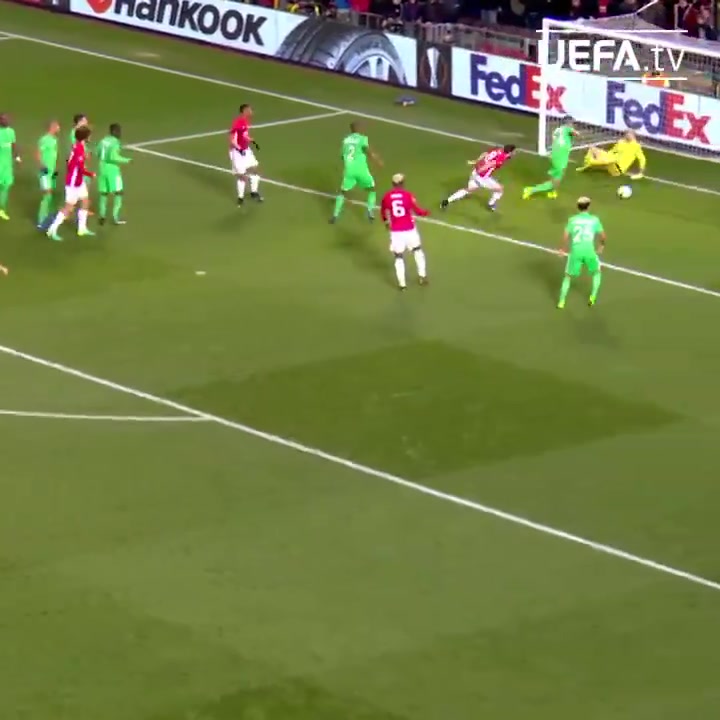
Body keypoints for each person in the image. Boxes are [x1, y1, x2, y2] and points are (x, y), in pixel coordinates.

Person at [380, 173, 429, 289]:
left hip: (396, 232)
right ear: (402, 183)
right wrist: (426, 212)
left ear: (393, 184)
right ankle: (422, 276)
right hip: (409, 229)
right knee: (417, 251)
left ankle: (402, 284)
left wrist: (386, 222)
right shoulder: (407, 195)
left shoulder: (387, 197)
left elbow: (383, 211)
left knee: (398, 257)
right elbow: (418, 211)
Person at [46, 126, 95, 241]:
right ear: (85, 137)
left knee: (85, 201)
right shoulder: (79, 149)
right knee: (68, 207)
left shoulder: (77, 146)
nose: (90, 137)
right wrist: (91, 174)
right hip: (74, 182)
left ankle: (82, 229)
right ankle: (52, 229)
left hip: (78, 180)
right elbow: (80, 168)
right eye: (89, 135)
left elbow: (70, 162)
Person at [557, 196, 605, 309]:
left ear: (577, 207)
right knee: (597, 272)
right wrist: (601, 246)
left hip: (576, 251)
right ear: (589, 206)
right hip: (589, 251)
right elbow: (603, 236)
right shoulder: (594, 220)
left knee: (568, 277)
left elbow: (565, 236)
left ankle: (561, 302)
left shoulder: (572, 220)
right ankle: (593, 297)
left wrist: (562, 249)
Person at [330, 121, 382, 224]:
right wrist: (377, 160)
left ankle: (335, 216)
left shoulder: (345, 140)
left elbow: (342, 156)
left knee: (342, 192)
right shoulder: (363, 138)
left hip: (349, 170)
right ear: (358, 128)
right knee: (372, 189)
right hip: (361, 170)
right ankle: (370, 211)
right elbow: (367, 150)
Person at [441, 144, 515, 212]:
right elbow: (491, 163)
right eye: (514, 151)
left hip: (475, 172)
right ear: (510, 152)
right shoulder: (501, 157)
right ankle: (491, 204)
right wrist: (481, 170)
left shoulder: (497, 150)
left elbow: (485, 154)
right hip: (482, 177)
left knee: (468, 190)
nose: (514, 153)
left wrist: (476, 161)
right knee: (500, 189)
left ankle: (446, 201)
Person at [523, 117, 576, 200]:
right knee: (555, 181)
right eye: (572, 123)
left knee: (557, 175)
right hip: (560, 158)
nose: (573, 125)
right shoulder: (567, 129)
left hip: (555, 155)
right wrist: (575, 133)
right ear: (569, 123)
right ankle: (531, 190)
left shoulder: (557, 130)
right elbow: (575, 133)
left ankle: (552, 192)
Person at [97, 123, 131, 225]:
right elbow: (113, 157)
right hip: (112, 171)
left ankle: (102, 215)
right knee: (119, 193)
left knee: (104, 193)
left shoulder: (103, 140)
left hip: (102, 168)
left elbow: (97, 152)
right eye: (119, 131)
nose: (120, 133)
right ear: (115, 131)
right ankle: (116, 217)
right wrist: (127, 160)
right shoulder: (115, 142)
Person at [577, 130, 646, 179]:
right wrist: (603, 154)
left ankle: (591, 162)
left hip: (618, 168)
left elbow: (642, 159)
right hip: (611, 161)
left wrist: (641, 172)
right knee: (592, 149)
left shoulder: (636, 146)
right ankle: (588, 165)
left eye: (630, 135)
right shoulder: (621, 142)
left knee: (609, 161)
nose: (627, 136)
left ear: (634, 136)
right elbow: (612, 151)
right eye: (626, 135)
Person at [229, 103, 262, 206]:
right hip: (237, 152)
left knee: (255, 169)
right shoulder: (238, 122)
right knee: (242, 176)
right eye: (250, 110)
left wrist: (249, 139)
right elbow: (232, 139)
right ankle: (240, 198)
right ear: (244, 111)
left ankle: (254, 192)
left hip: (245, 150)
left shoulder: (245, 121)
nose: (251, 111)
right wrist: (239, 149)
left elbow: (243, 135)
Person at [36, 120, 60, 228]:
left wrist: (56, 168)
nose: (59, 128)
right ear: (52, 127)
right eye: (57, 126)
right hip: (45, 171)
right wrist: (42, 166)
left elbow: (54, 155)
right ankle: (41, 220)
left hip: (52, 171)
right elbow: (38, 153)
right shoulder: (44, 139)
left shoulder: (55, 140)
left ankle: (45, 216)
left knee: (50, 194)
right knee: (47, 193)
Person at [0, 113, 21, 221]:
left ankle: (1, 209)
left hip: (7, 165)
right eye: (3, 119)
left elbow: (13, 145)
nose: (6, 121)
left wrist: (17, 157)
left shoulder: (11, 132)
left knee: (6, 186)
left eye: (7, 119)